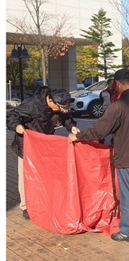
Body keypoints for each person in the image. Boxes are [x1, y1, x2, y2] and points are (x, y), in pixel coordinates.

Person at [68, 68, 129, 242]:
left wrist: (77, 136)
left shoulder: (118, 106)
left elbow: (99, 131)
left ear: (116, 84)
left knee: (128, 194)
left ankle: (128, 230)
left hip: (126, 158)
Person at [7, 87, 79, 220]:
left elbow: (66, 117)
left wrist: (71, 126)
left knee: (44, 175)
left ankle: (42, 201)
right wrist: (17, 126)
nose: (61, 110)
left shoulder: (59, 106)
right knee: (25, 176)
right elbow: (13, 116)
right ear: (50, 101)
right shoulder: (32, 106)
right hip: (26, 146)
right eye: (59, 107)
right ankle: (26, 206)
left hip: (45, 146)